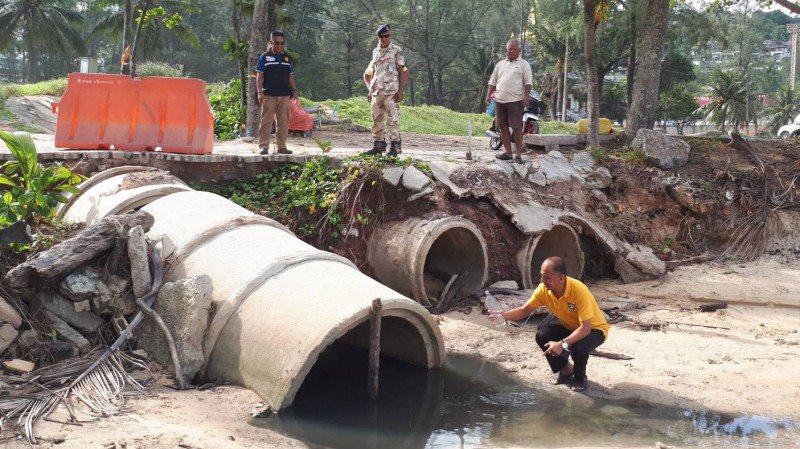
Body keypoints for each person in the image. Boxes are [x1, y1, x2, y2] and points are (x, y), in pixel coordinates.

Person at [491, 257, 609, 392]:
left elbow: (585, 329)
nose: (542, 281)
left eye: (547, 278)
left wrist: (562, 344)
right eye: (541, 276)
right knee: (542, 335)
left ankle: (580, 378)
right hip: (570, 327)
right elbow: (524, 311)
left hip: (594, 330)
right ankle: (565, 371)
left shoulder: (579, 290)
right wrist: (503, 315)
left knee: (578, 346)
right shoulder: (543, 290)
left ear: (561, 278)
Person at [362, 24, 410, 157]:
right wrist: (370, 90)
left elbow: (402, 71)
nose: (384, 39)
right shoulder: (375, 52)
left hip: (391, 91)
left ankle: (395, 147)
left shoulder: (396, 50)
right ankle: (378, 146)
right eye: (382, 37)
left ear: (390, 35)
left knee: (392, 119)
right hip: (377, 91)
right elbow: (373, 72)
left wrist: (400, 91)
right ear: (378, 37)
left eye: (387, 36)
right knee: (376, 119)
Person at [486, 39, 532, 164]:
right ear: (506, 50)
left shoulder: (524, 64)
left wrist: (526, 96)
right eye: (509, 49)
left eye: (514, 49)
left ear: (519, 51)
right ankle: (507, 152)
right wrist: (488, 96)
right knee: (503, 126)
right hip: (500, 101)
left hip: (516, 101)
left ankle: (518, 154)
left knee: (516, 127)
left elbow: (528, 83)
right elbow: (492, 82)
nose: (511, 51)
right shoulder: (500, 64)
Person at [255, 30, 298, 155]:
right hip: (269, 95)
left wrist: (294, 90)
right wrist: (259, 92)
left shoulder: (287, 58)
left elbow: (290, 76)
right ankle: (263, 146)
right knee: (266, 121)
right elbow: (259, 75)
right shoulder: (264, 57)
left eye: (282, 43)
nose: (280, 46)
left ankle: (282, 147)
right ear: (271, 42)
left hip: (285, 94)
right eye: (277, 43)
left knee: (283, 122)